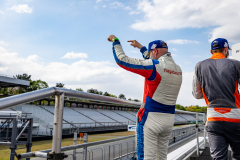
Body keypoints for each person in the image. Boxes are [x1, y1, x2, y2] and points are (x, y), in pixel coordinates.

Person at [107, 35, 182, 160]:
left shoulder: (155, 66)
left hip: (150, 119)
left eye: (151, 53)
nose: (150, 56)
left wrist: (116, 42)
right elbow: (153, 59)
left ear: (155, 51)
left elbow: (122, 59)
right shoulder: (178, 69)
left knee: (146, 157)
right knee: (161, 157)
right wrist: (140, 47)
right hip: (169, 120)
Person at [192, 38, 240, 160]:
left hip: (213, 118)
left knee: (218, 158)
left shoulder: (200, 65)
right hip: (236, 118)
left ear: (211, 51)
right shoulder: (236, 64)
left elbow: (196, 94)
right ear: (226, 50)